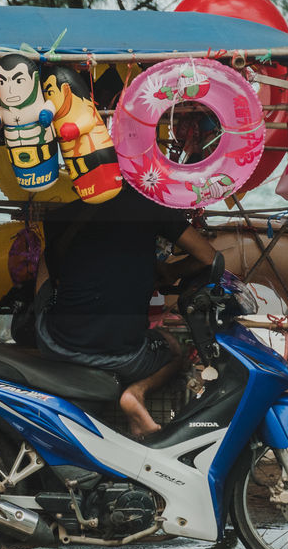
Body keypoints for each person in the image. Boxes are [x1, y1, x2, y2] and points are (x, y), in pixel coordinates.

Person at [34, 187, 217, 439]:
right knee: (175, 349)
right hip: (123, 355)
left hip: (56, 342)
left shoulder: (63, 215)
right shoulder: (151, 208)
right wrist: (172, 272)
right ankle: (136, 394)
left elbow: (57, 272)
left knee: (46, 260)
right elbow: (209, 257)